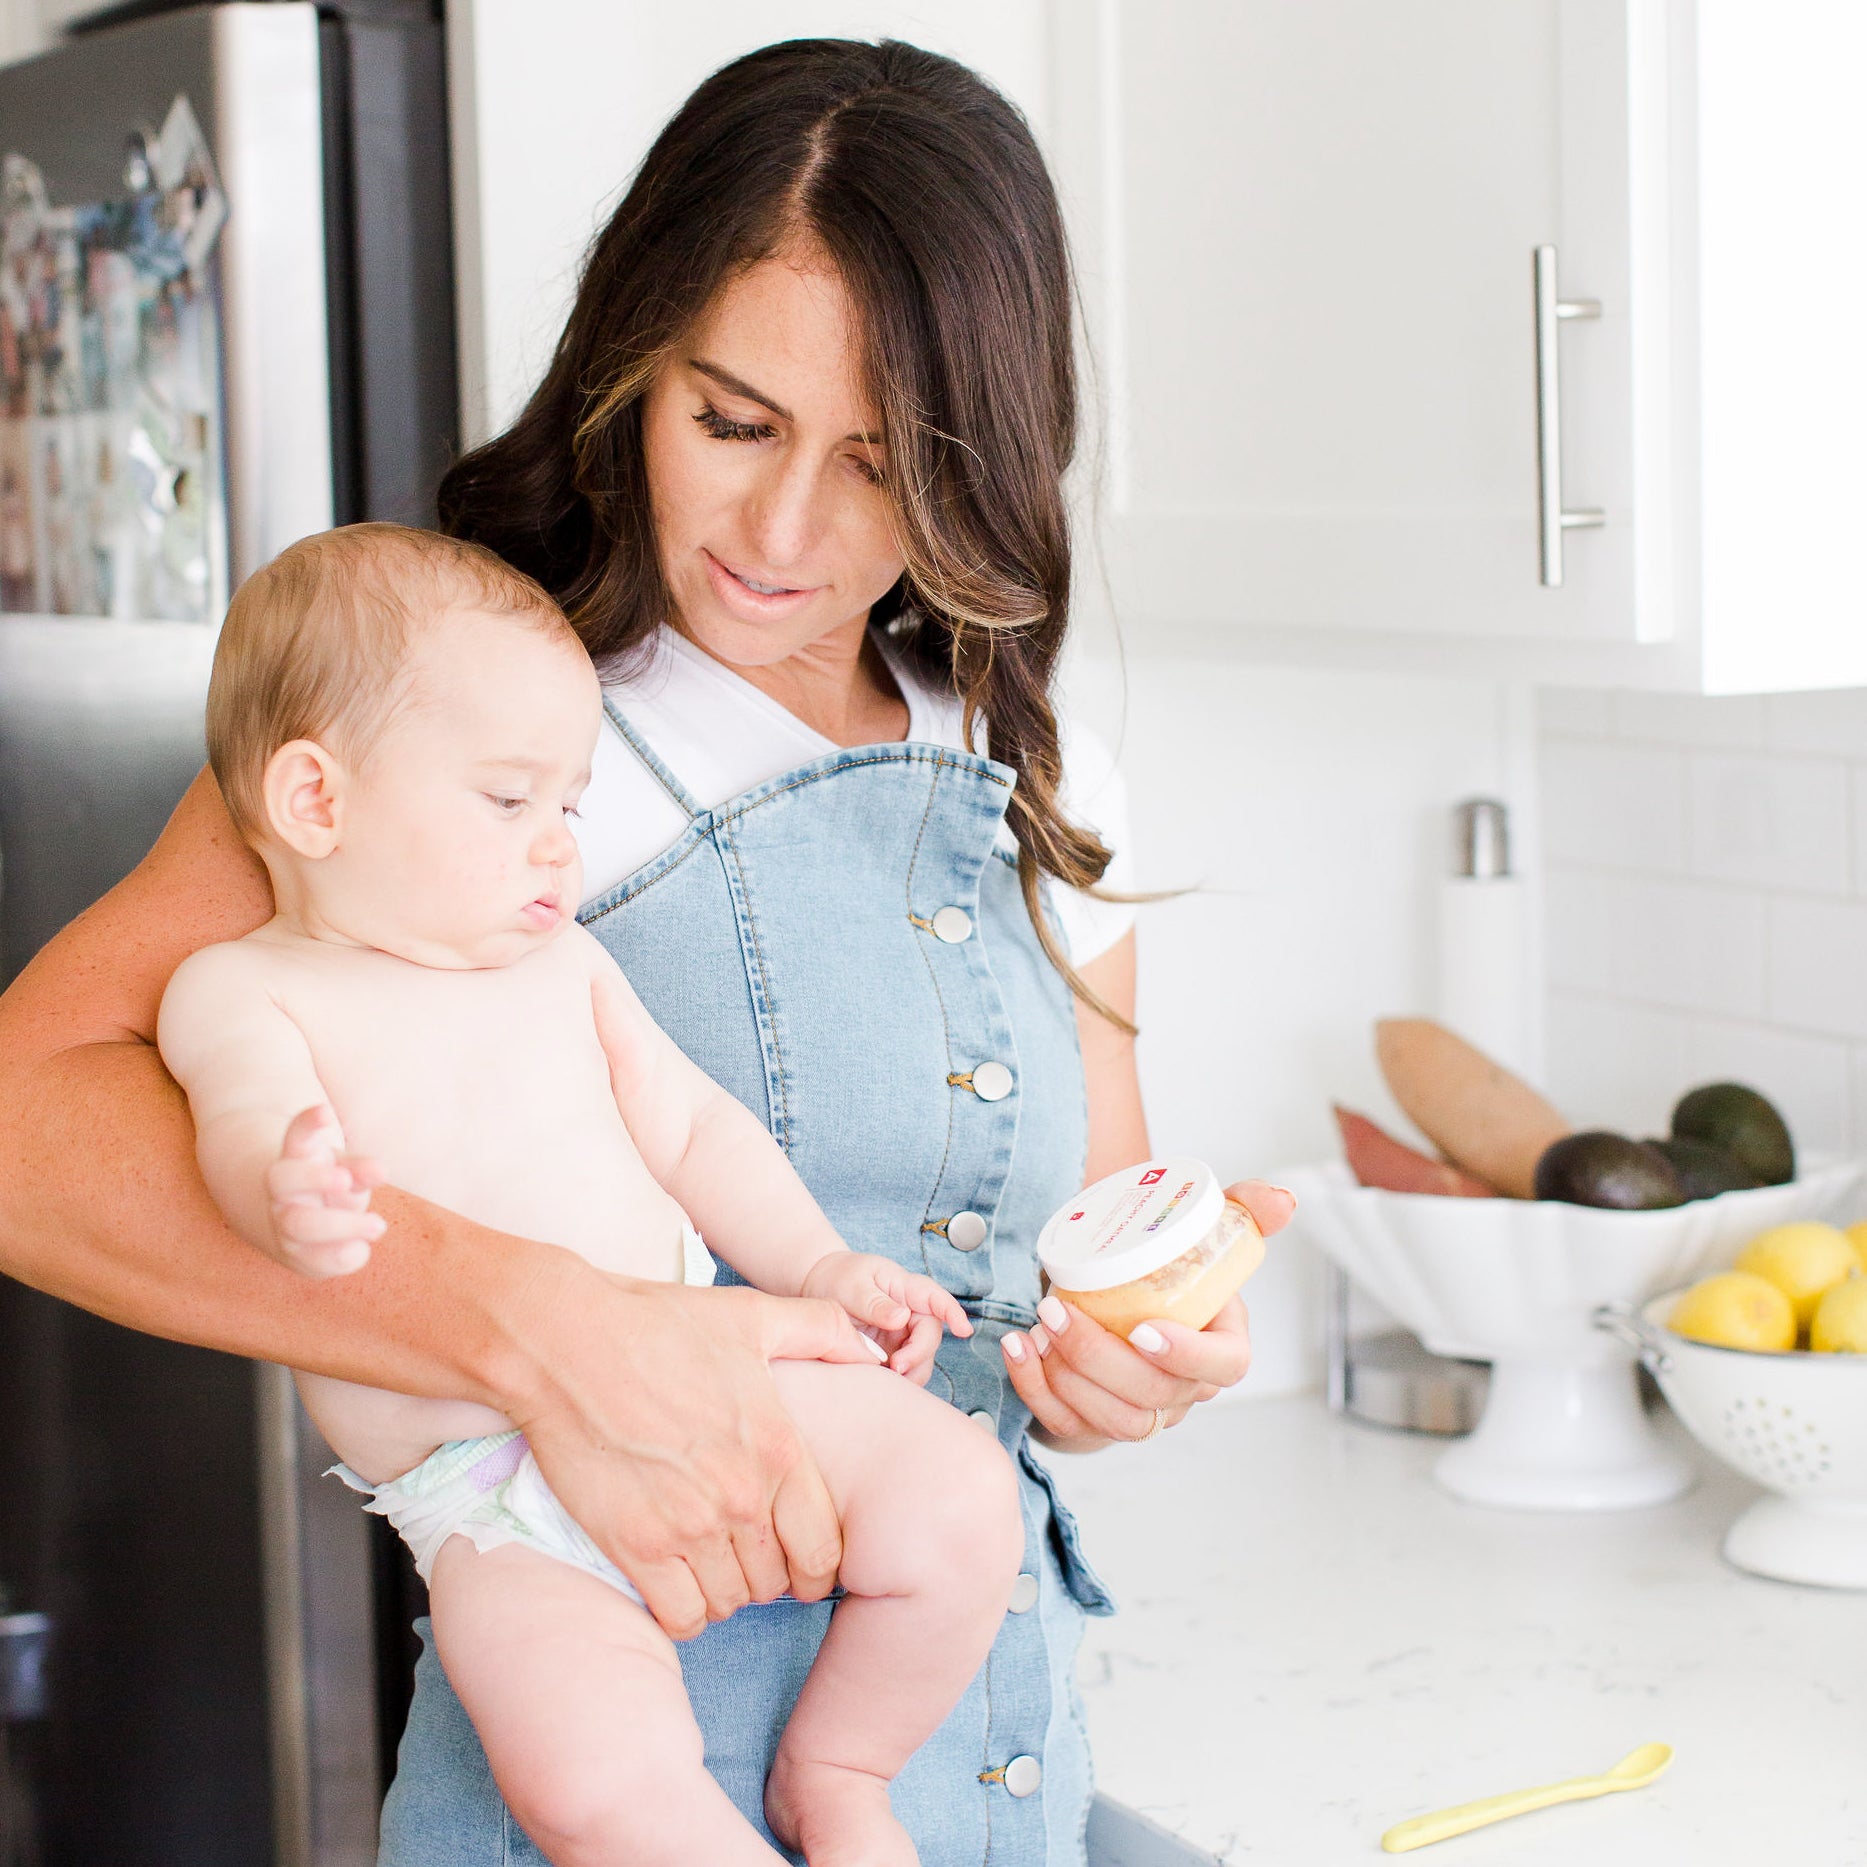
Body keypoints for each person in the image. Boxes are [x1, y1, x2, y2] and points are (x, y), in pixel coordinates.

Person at [0, 37, 1294, 1867]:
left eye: (880, 464)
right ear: (629, 358)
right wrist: (556, 1333)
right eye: (735, 421)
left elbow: (1043, 1285)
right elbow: (23, 1137)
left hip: (990, 1778)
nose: (784, 535)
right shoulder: (463, 729)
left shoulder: (1033, 754)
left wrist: (1129, 1369)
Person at [159, 521, 1020, 1867]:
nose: (560, 849)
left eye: (570, 806)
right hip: (487, 1496)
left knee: (964, 1500)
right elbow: (239, 1127)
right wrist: (288, 1195)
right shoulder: (246, 988)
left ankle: (841, 1771)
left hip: (700, 1374)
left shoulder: (564, 970)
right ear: (317, 803)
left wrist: (819, 1269)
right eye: (511, 803)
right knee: (590, 1784)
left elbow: (693, 1130)